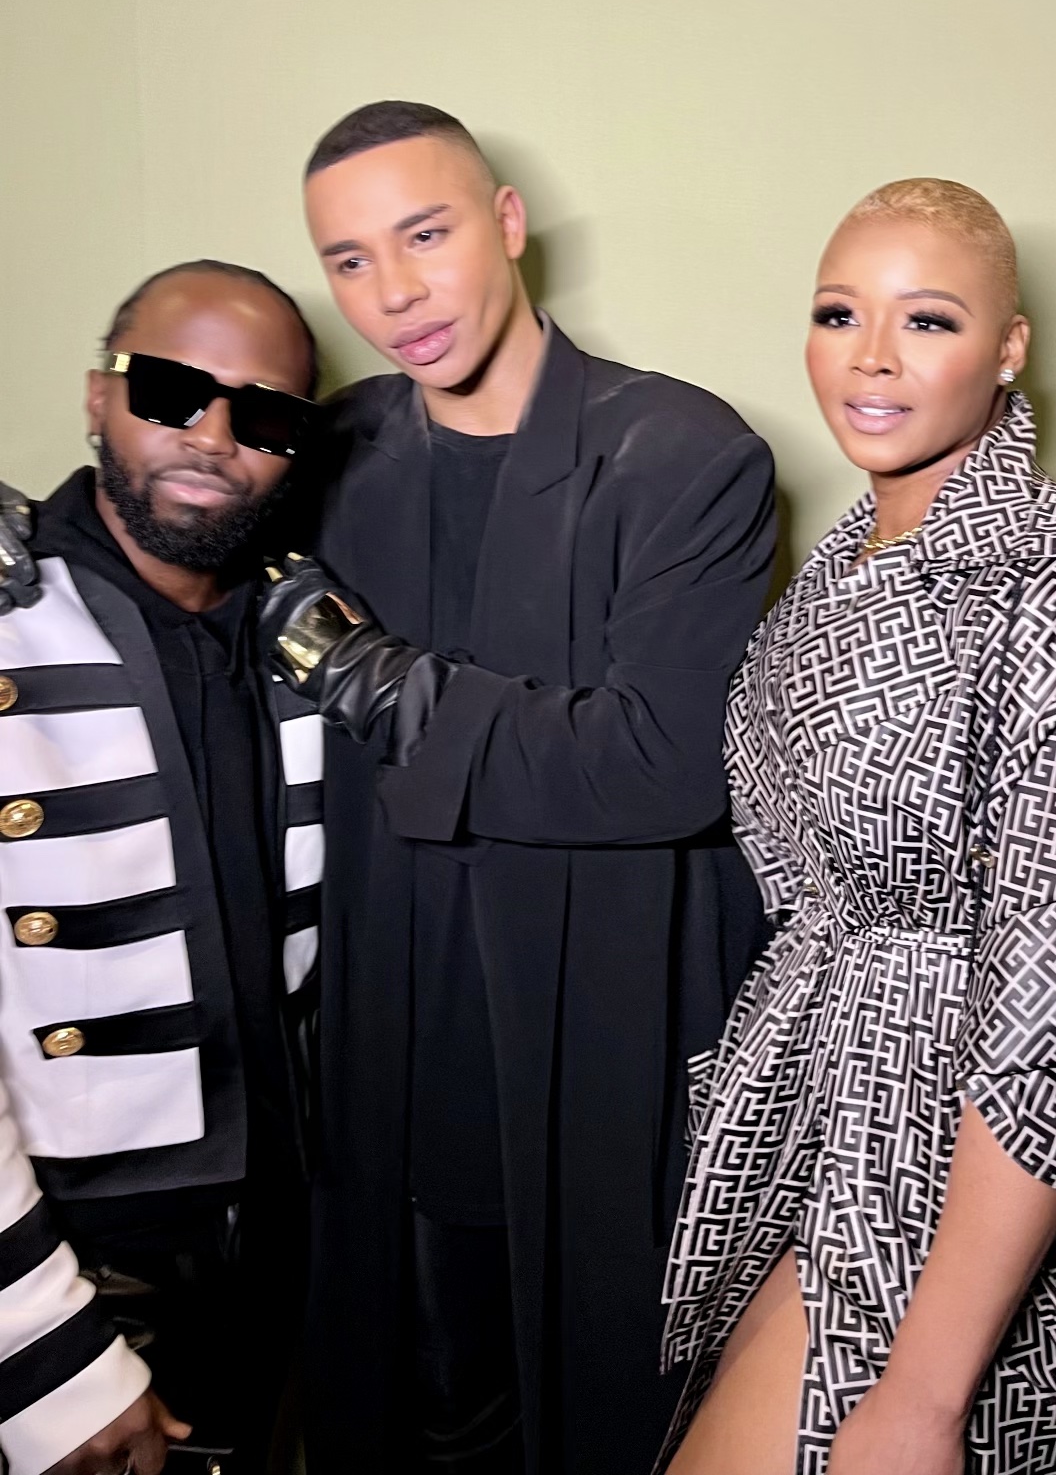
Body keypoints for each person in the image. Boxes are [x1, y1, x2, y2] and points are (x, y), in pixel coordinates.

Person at [260, 101, 777, 1475]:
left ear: (505, 223)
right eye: (351, 260)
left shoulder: (685, 452)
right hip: (388, 1058)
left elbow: (662, 764)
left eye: (425, 236)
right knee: (415, 1416)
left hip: (596, 1056)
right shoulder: (335, 448)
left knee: (607, 1418)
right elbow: (179, 504)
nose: (395, 292)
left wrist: (384, 684)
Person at [657, 178, 1056, 1475]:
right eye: (839, 313)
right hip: (807, 1127)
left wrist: (925, 1396)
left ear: (1011, 349)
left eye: (928, 320)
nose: (873, 357)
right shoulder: (827, 583)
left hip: (953, 1179)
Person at [0, 261, 326, 1471]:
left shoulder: (317, 632)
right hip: (70, 1263)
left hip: (289, 1244)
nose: (213, 437)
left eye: (265, 414)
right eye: (171, 391)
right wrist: (41, 1346)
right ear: (98, 396)